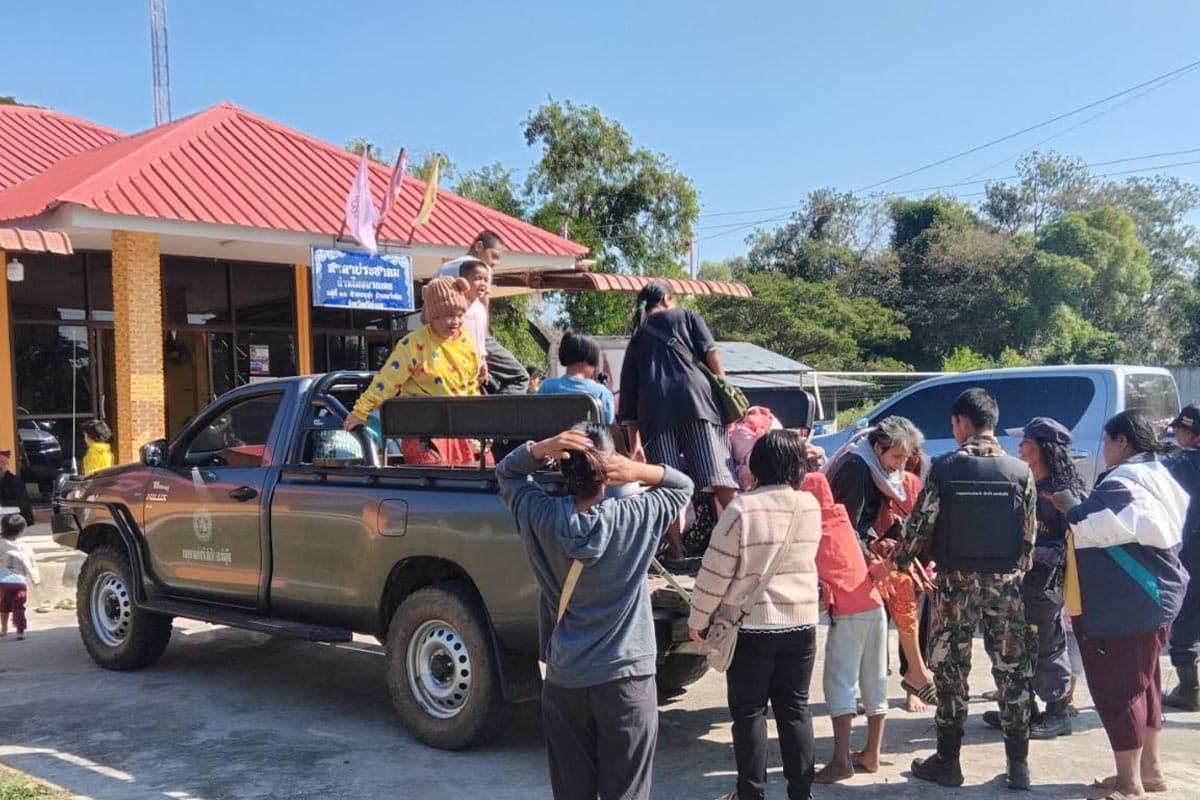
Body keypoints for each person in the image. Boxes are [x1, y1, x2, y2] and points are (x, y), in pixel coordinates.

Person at [495, 423, 693, 800]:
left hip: (566, 677)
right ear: (611, 468)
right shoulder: (636, 516)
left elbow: (507, 473)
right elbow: (682, 486)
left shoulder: (541, 515)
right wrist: (639, 471)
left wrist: (541, 447)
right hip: (626, 676)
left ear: (561, 467)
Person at [892, 388, 1037, 790]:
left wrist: (900, 562)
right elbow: (1029, 538)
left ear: (961, 422)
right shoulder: (1020, 471)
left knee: (952, 673)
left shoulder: (944, 467)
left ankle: (949, 762)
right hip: (1006, 587)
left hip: (956, 587)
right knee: (1012, 674)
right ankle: (1019, 766)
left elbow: (920, 526)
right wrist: (1012, 578)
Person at [1052, 410, 1189, 799]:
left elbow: (1095, 525)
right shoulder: (1158, 474)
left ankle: (1130, 784)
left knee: (1120, 690)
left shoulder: (1124, 481)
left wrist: (1069, 505)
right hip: (1156, 597)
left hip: (1130, 602)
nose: (1105, 449)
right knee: (1146, 685)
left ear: (1122, 442)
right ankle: (1150, 771)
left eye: (1108, 441)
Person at [688, 430, 822, 800]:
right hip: (802, 622)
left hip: (752, 626)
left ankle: (751, 793)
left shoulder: (742, 509)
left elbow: (715, 574)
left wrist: (698, 620)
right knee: (795, 708)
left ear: (756, 464)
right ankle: (801, 793)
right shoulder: (809, 506)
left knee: (749, 713)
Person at [978, 418, 1084, 739]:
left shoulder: (1063, 494)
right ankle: (1022, 711)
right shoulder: (1028, 482)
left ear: (1042, 448)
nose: (1020, 447)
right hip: (1019, 581)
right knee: (1018, 644)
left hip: (1046, 583)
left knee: (1048, 645)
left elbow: (1076, 540)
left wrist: (1035, 553)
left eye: (1026, 442)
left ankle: (1057, 713)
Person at [619, 281, 739, 560]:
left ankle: (676, 554)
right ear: (667, 299)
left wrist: (635, 443)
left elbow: (629, 397)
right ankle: (741, 544)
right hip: (697, 404)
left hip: (655, 415)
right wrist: (723, 389)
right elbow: (711, 354)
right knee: (720, 479)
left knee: (668, 487)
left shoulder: (637, 338)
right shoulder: (687, 316)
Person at [824, 417, 935, 711]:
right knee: (875, 615)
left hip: (875, 550)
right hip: (851, 557)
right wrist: (873, 565)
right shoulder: (857, 468)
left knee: (909, 593)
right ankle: (909, 674)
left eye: (905, 458)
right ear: (878, 448)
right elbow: (847, 525)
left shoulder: (889, 467)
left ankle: (914, 671)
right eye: (896, 457)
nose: (900, 465)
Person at [805, 470, 889, 785]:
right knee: (874, 679)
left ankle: (841, 760)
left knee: (839, 683)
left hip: (848, 613)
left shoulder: (812, 529)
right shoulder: (842, 522)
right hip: (874, 605)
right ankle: (872, 754)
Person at [344, 277, 480, 465]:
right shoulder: (414, 343)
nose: (455, 321)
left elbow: (471, 388)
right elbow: (388, 381)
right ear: (433, 315)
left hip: (458, 432)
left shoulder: (466, 344)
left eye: (460, 314)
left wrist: (478, 428)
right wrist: (360, 412)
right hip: (422, 433)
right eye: (449, 314)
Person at [437, 230, 529, 395]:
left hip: (442, 335)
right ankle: (498, 415)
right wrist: (482, 350)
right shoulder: (480, 268)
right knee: (519, 376)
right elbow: (483, 306)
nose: (495, 262)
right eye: (493, 256)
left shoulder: (444, 268)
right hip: (473, 334)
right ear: (479, 246)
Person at [1162, 404, 1200, 711]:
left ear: (1190, 433)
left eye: (1179, 430)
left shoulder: (1179, 463)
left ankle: (1190, 687)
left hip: (1191, 548)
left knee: (1187, 613)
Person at [539, 333, 616, 427]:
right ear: (590, 358)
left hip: (553, 441)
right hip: (589, 441)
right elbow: (611, 428)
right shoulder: (602, 392)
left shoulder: (547, 387)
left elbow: (536, 420)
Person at [1, 514, 39, 640]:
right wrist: (35, 579)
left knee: (3, 606)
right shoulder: (25, 547)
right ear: (22, 531)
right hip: (18, 583)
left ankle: (4, 628)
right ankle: (20, 631)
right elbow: (31, 564)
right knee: (19, 608)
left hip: (2, 583)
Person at [458, 258, 491, 386]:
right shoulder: (457, 305)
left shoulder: (480, 308)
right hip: (457, 361)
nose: (483, 283)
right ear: (464, 280)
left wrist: (483, 360)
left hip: (474, 364)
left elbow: (480, 339)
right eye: (478, 279)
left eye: (486, 280)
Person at [0, 450, 33, 526]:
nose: (0, 469)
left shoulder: (15, 481)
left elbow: (20, 502)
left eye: (2, 466)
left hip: (17, 516)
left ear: (6, 467)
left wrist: (2, 504)